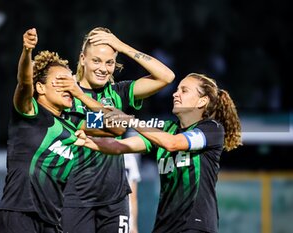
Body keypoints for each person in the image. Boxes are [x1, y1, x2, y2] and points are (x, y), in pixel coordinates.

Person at [80, 73, 242, 233]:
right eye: (177, 89)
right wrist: (84, 140)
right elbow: (119, 147)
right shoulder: (167, 129)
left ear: (202, 101)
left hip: (194, 224)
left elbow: (173, 143)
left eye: (184, 90)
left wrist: (129, 119)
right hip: (164, 226)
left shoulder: (211, 129)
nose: (175, 94)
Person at [55, 27, 175, 233]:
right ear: (82, 58)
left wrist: (122, 47)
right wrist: (108, 122)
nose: (103, 68)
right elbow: (111, 127)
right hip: (73, 197)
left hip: (115, 200)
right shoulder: (64, 92)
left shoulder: (119, 91)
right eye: (96, 61)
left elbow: (166, 76)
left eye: (109, 62)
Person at [0, 28, 87, 233]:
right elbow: (24, 82)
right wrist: (27, 51)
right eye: (60, 81)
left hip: (52, 221)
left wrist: (83, 96)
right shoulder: (29, 111)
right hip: (19, 214)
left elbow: (114, 125)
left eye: (70, 82)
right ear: (41, 88)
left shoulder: (74, 124)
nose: (68, 87)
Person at [123, 130, 141, 233]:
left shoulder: (129, 157)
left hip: (122, 213)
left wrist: (134, 226)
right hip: (124, 216)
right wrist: (133, 225)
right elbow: (133, 198)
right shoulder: (129, 156)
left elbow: (133, 197)